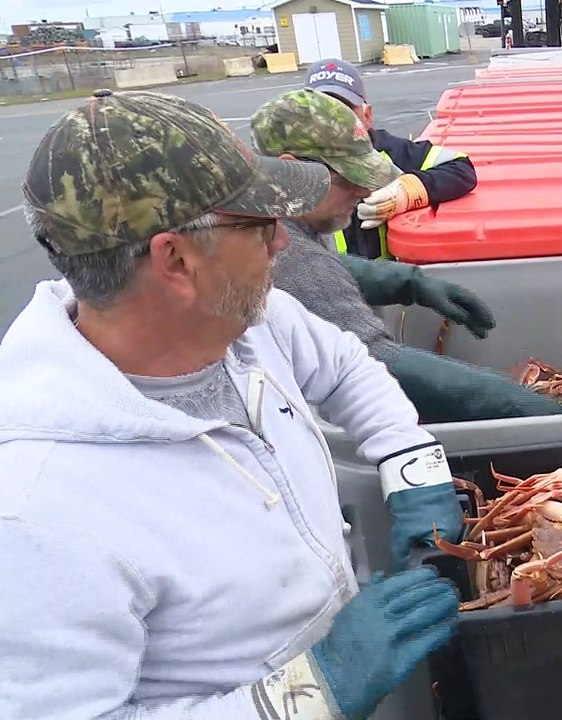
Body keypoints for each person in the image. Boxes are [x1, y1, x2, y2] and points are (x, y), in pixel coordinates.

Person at [0, 89, 461, 719]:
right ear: (177, 258)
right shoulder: (38, 512)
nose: (280, 244)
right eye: (259, 223)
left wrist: (413, 468)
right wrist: (314, 690)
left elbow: (349, 365)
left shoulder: (249, 318)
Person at [249, 87, 562, 423]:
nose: (366, 190)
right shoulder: (282, 253)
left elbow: (326, 265)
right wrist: (513, 405)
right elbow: (373, 365)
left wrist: (408, 282)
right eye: (350, 177)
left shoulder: (271, 217)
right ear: (289, 171)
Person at [304, 57, 479, 261]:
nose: (333, 121)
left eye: (344, 110)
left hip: (383, 286)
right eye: (320, 110)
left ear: (367, 116)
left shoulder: (388, 151)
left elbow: (460, 168)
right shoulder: (290, 165)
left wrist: (407, 192)